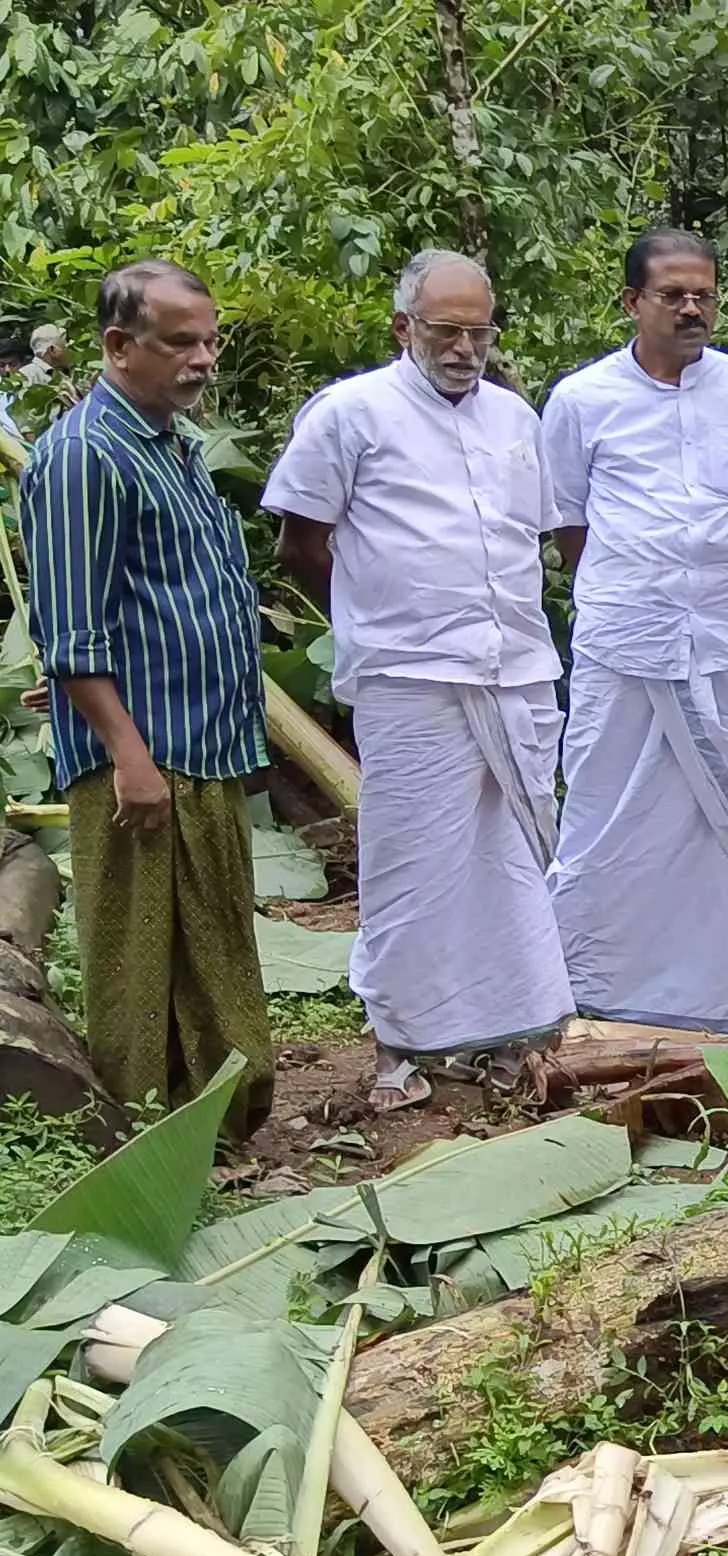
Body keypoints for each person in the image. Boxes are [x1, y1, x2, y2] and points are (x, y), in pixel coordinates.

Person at [265, 250, 571, 1108]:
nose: (465, 347)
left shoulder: (516, 418)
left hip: (515, 671)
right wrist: (371, 621)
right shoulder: (350, 414)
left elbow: (534, 539)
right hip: (409, 680)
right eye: (447, 330)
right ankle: (404, 1042)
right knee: (412, 859)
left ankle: (518, 1031)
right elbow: (301, 543)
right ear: (405, 328)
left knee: (512, 853)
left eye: (479, 330)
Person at [22, 261, 274, 1131]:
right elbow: (72, 632)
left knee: (213, 947)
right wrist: (127, 756)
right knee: (139, 955)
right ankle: (145, 1130)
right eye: (180, 342)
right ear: (118, 346)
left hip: (203, 741)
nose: (203, 358)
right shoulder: (84, 457)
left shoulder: (172, 444)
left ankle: (222, 1124)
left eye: (209, 339)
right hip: (147, 749)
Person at [540, 230, 728, 1034]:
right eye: (673, 295)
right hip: (626, 647)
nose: (692, 309)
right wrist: (641, 591)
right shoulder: (581, 400)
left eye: (704, 295)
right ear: (632, 303)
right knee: (606, 813)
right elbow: (570, 527)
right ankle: (597, 998)